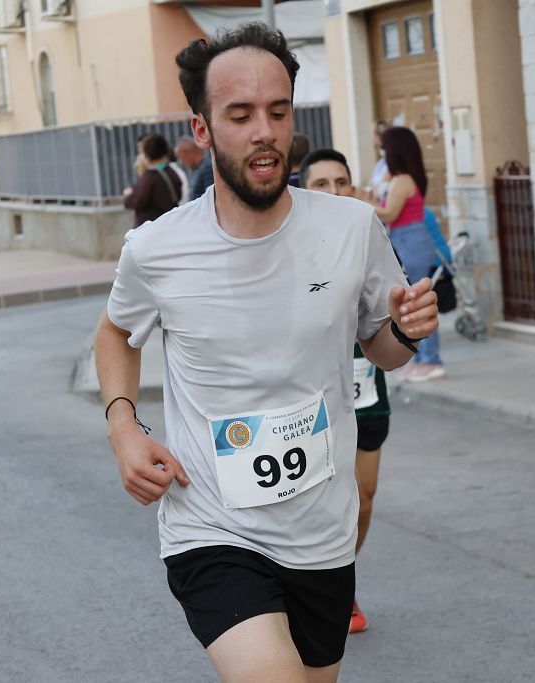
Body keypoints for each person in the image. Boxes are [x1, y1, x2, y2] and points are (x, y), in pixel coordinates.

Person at [96, 23, 438, 683]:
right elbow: (114, 331)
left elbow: (383, 350)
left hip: (320, 533)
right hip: (212, 526)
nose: (264, 130)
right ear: (202, 129)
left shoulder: (351, 228)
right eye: (241, 114)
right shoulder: (158, 248)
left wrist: (408, 329)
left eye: (278, 112)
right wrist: (122, 427)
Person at [299, 148, 390, 635]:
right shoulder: (289, 245)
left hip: (367, 387)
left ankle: (340, 576)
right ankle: (323, 583)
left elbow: (388, 311)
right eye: (321, 184)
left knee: (366, 498)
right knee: (320, 497)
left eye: (342, 182)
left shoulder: (366, 236)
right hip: (315, 396)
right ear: (303, 190)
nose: (334, 193)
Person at [376, 126, 444, 382]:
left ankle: (432, 360)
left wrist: (359, 203)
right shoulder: (401, 178)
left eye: (385, 149)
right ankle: (420, 358)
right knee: (412, 303)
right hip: (408, 239)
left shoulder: (403, 180)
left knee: (417, 302)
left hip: (411, 241)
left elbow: (390, 213)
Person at [122, 133, 183, 227]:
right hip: (171, 223)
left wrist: (128, 196)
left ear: (146, 155)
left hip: (153, 228)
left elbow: (138, 200)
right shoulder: (171, 171)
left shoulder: (150, 176)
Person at [174, 135, 215, 201]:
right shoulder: (200, 168)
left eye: (180, 157)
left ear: (188, 153)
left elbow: (211, 197)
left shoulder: (207, 168)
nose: (181, 162)